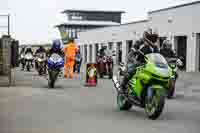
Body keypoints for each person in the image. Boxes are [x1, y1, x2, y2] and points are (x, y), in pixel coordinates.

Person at [120, 29, 159, 94]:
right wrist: (133, 60)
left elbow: (158, 56)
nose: (152, 39)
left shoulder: (154, 46)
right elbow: (131, 53)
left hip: (150, 65)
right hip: (139, 63)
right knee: (131, 71)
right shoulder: (139, 42)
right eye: (149, 37)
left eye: (153, 37)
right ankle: (122, 87)